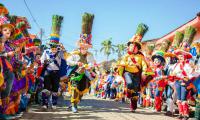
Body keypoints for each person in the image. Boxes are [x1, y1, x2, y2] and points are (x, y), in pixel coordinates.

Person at [66, 12, 96, 113]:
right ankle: (74, 105)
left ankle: (75, 102)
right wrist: (76, 63)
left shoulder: (90, 55)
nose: (84, 48)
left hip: (85, 74)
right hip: (75, 72)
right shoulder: (74, 53)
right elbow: (68, 61)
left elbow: (92, 64)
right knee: (74, 87)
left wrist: (88, 66)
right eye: (82, 46)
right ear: (80, 46)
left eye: (86, 47)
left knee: (82, 89)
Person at [40, 15, 64, 110]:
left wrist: (63, 49)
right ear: (50, 46)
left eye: (55, 46)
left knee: (55, 89)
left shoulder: (60, 52)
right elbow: (42, 61)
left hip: (56, 73)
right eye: (52, 46)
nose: (53, 48)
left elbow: (65, 58)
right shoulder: (46, 52)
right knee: (46, 88)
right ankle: (45, 104)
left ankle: (54, 104)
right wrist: (46, 61)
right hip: (48, 72)